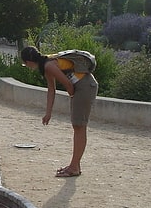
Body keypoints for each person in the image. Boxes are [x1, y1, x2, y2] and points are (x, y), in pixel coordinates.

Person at [20, 46, 98, 178]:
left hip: (84, 87)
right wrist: (48, 113)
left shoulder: (49, 65)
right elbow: (52, 90)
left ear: (28, 62)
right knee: (78, 126)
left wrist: (73, 96)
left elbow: (67, 84)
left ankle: (74, 167)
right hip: (82, 86)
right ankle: (75, 165)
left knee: (79, 126)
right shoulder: (46, 65)